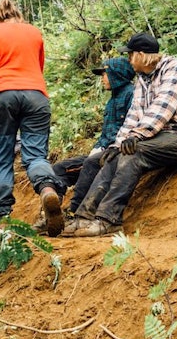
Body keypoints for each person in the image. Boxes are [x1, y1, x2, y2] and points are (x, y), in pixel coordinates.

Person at [70, 33, 177, 237]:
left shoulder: (175, 69)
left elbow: (163, 107)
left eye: (130, 55)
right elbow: (133, 116)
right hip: (158, 135)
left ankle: (109, 219)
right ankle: (83, 217)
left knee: (132, 153)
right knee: (113, 156)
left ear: (142, 55)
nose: (128, 59)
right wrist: (117, 144)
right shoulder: (142, 81)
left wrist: (136, 136)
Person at [0, 0, 66, 235]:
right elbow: (39, 66)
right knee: (36, 156)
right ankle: (47, 190)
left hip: (3, 97)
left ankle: (3, 218)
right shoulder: (34, 32)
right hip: (36, 96)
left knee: (2, 160)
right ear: (18, 13)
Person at [52, 56, 136, 233]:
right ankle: (53, 213)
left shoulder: (132, 94)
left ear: (117, 75)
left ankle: (74, 212)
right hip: (103, 149)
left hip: (116, 151)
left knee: (91, 163)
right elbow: (106, 133)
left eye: (105, 74)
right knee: (59, 169)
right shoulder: (112, 100)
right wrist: (97, 147)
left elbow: (132, 127)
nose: (102, 78)